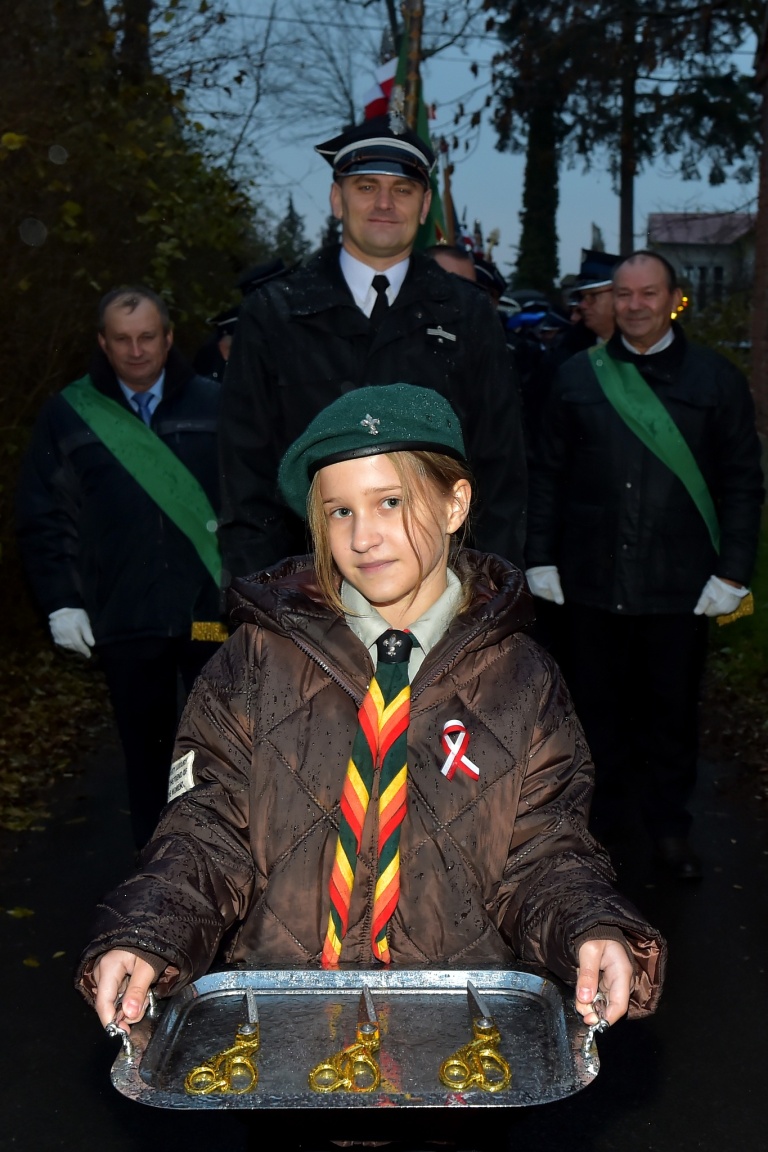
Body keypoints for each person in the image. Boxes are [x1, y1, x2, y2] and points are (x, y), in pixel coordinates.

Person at [77, 386, 665, 1076]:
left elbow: (545, 854)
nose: (363, 536)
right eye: (339, 512)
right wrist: (149, 931)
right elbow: (206, 830)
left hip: (454, 1041)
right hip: (282, 1035)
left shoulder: (523, 682)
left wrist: (590, 928)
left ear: (454, 504)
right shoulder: (256, 661)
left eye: (391, 502)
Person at [526, 251, 765, 879]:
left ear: (674, 298)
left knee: (670, 715)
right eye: (624, 294)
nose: (635, 305)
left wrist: (734, 570)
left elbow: (743, 482)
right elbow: (547, 475)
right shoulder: (577, 377)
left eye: (648, 293)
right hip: (590, 583)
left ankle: (668, 832)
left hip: (679, 585)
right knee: (593, 712)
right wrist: (539, 557)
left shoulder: (716, 381)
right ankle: (600, 833)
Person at [218, 115, 527, 582]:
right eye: (365, 187)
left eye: (402, 190)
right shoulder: (274, 313)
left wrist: (485, 591)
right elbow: (244, 475)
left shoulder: (467, 314)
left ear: (425, 207)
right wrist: (261, 596)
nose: (384, 203)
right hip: (305, 590)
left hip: (436, 588)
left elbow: (498, 468)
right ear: (336, 199)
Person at [16, 286, 223, 848]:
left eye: (148, 337)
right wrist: (62, 599)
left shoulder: (215, 404)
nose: (137, 351)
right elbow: (44, 515)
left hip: (208, 618)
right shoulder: (68, 414)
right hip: (126, 620)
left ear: (170, 337)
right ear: (103, 344)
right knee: (147, 759)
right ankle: (156, 886)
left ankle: (227, 874)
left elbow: (249, 507)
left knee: (221, 749)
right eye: (123, 339)